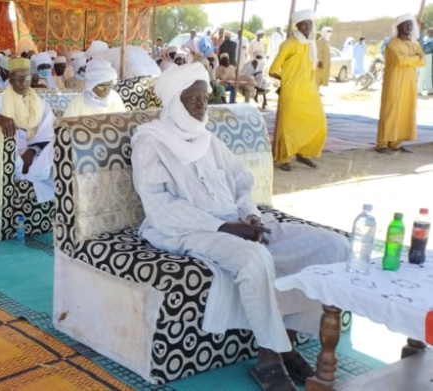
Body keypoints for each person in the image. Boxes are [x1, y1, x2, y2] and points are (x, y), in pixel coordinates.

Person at [131, 63, 350, 391]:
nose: (201, 105)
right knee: (254, 258)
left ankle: (288, 341)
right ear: (174, 102)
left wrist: (250, 217)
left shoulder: (207, 139)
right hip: (184, 231)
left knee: (333, 246)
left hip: (234, 221)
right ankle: (269, 358)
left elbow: (241, 183)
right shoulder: (151, 142)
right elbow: (161, 207)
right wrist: (226, 227)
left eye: (204, 97)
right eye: (193, 99)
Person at [0, 58, 56, 204]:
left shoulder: (41, 104)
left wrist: (31, 152)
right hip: (9, 155)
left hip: (37, 155)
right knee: (6, 142)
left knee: (61, 142)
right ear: (11, 80)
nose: (24, 82)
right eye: (19, 79)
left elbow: (48, 132)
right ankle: (25, 173)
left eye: (27, 78)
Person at [269, 10, 326, 172]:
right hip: (292, 92)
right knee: (288, 127)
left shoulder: (310, 44)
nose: (307, 27)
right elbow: (273, 70)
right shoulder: (289, 44)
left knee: (318, 122)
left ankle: (304, 153)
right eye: (304, 24)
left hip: (309, 91)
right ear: (297, 25)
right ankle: (284, 158)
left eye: (310, 23)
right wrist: (287, 80)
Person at [376, 14, 426, 154]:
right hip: (395, 82)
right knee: (391, 110)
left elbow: (423, 61)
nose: (408, 26)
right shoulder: (392, 44)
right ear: (398, 26)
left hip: (409, 83)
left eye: (410, 24)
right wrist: (415, 58)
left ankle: (396, 144)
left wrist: (411, 59)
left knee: (405, 110)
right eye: (405, 24)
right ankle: (382, 143)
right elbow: (399, 60)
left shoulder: (414, 44)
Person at [417, 28, 433, 95]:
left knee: (428, 73)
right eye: (429, 32)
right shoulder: (424, 39)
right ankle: (419, 90)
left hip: (429, 56)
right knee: (421, 73)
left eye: (431, 32)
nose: (430, 33)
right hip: (424, 56)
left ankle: (429, 89)